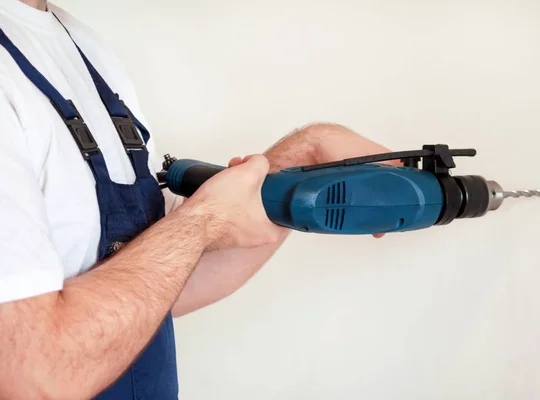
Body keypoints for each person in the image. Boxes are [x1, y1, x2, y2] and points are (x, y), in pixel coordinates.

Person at [0, 0, 397, 399]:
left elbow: (163, 287)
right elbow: (35, 376)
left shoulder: (84, 47)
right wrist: (201, 221)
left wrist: (305, 159)